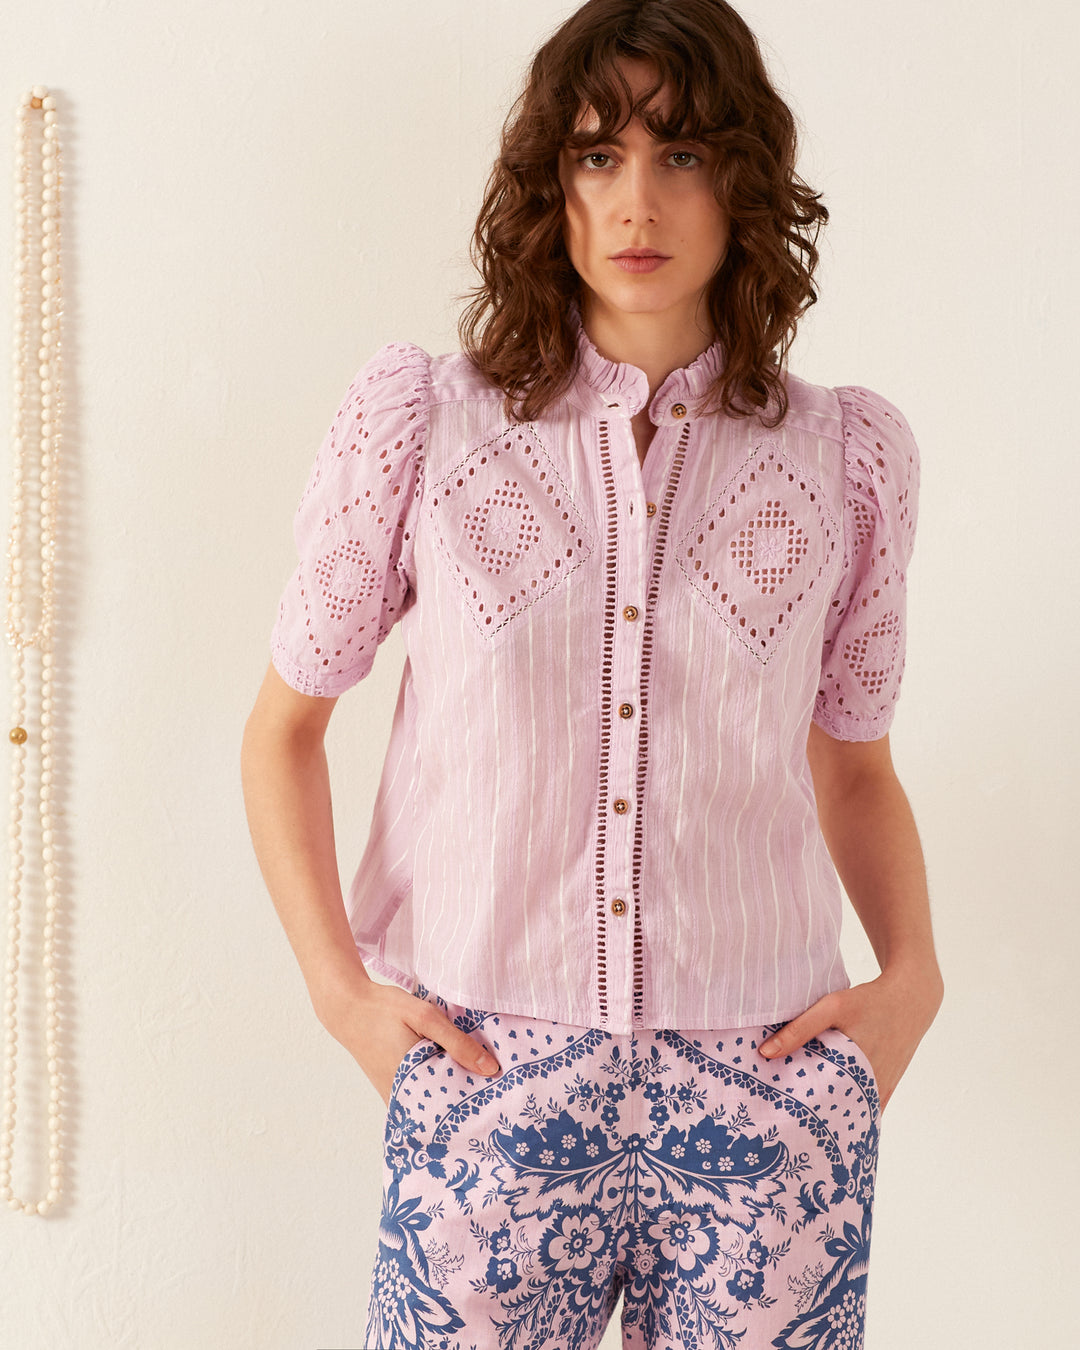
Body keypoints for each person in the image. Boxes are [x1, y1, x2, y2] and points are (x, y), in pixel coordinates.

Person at [241, 1, 944, 1345]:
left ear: (746, 186)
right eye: (597, 155)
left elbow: (855, 763)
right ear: (548, 187)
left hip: (768, 1089)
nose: (639, 199)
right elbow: (282, 730)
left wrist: (911, 980)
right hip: (486, 1074)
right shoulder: (425, 427)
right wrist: (342, 997)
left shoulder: (842, 459)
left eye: (682, 156)